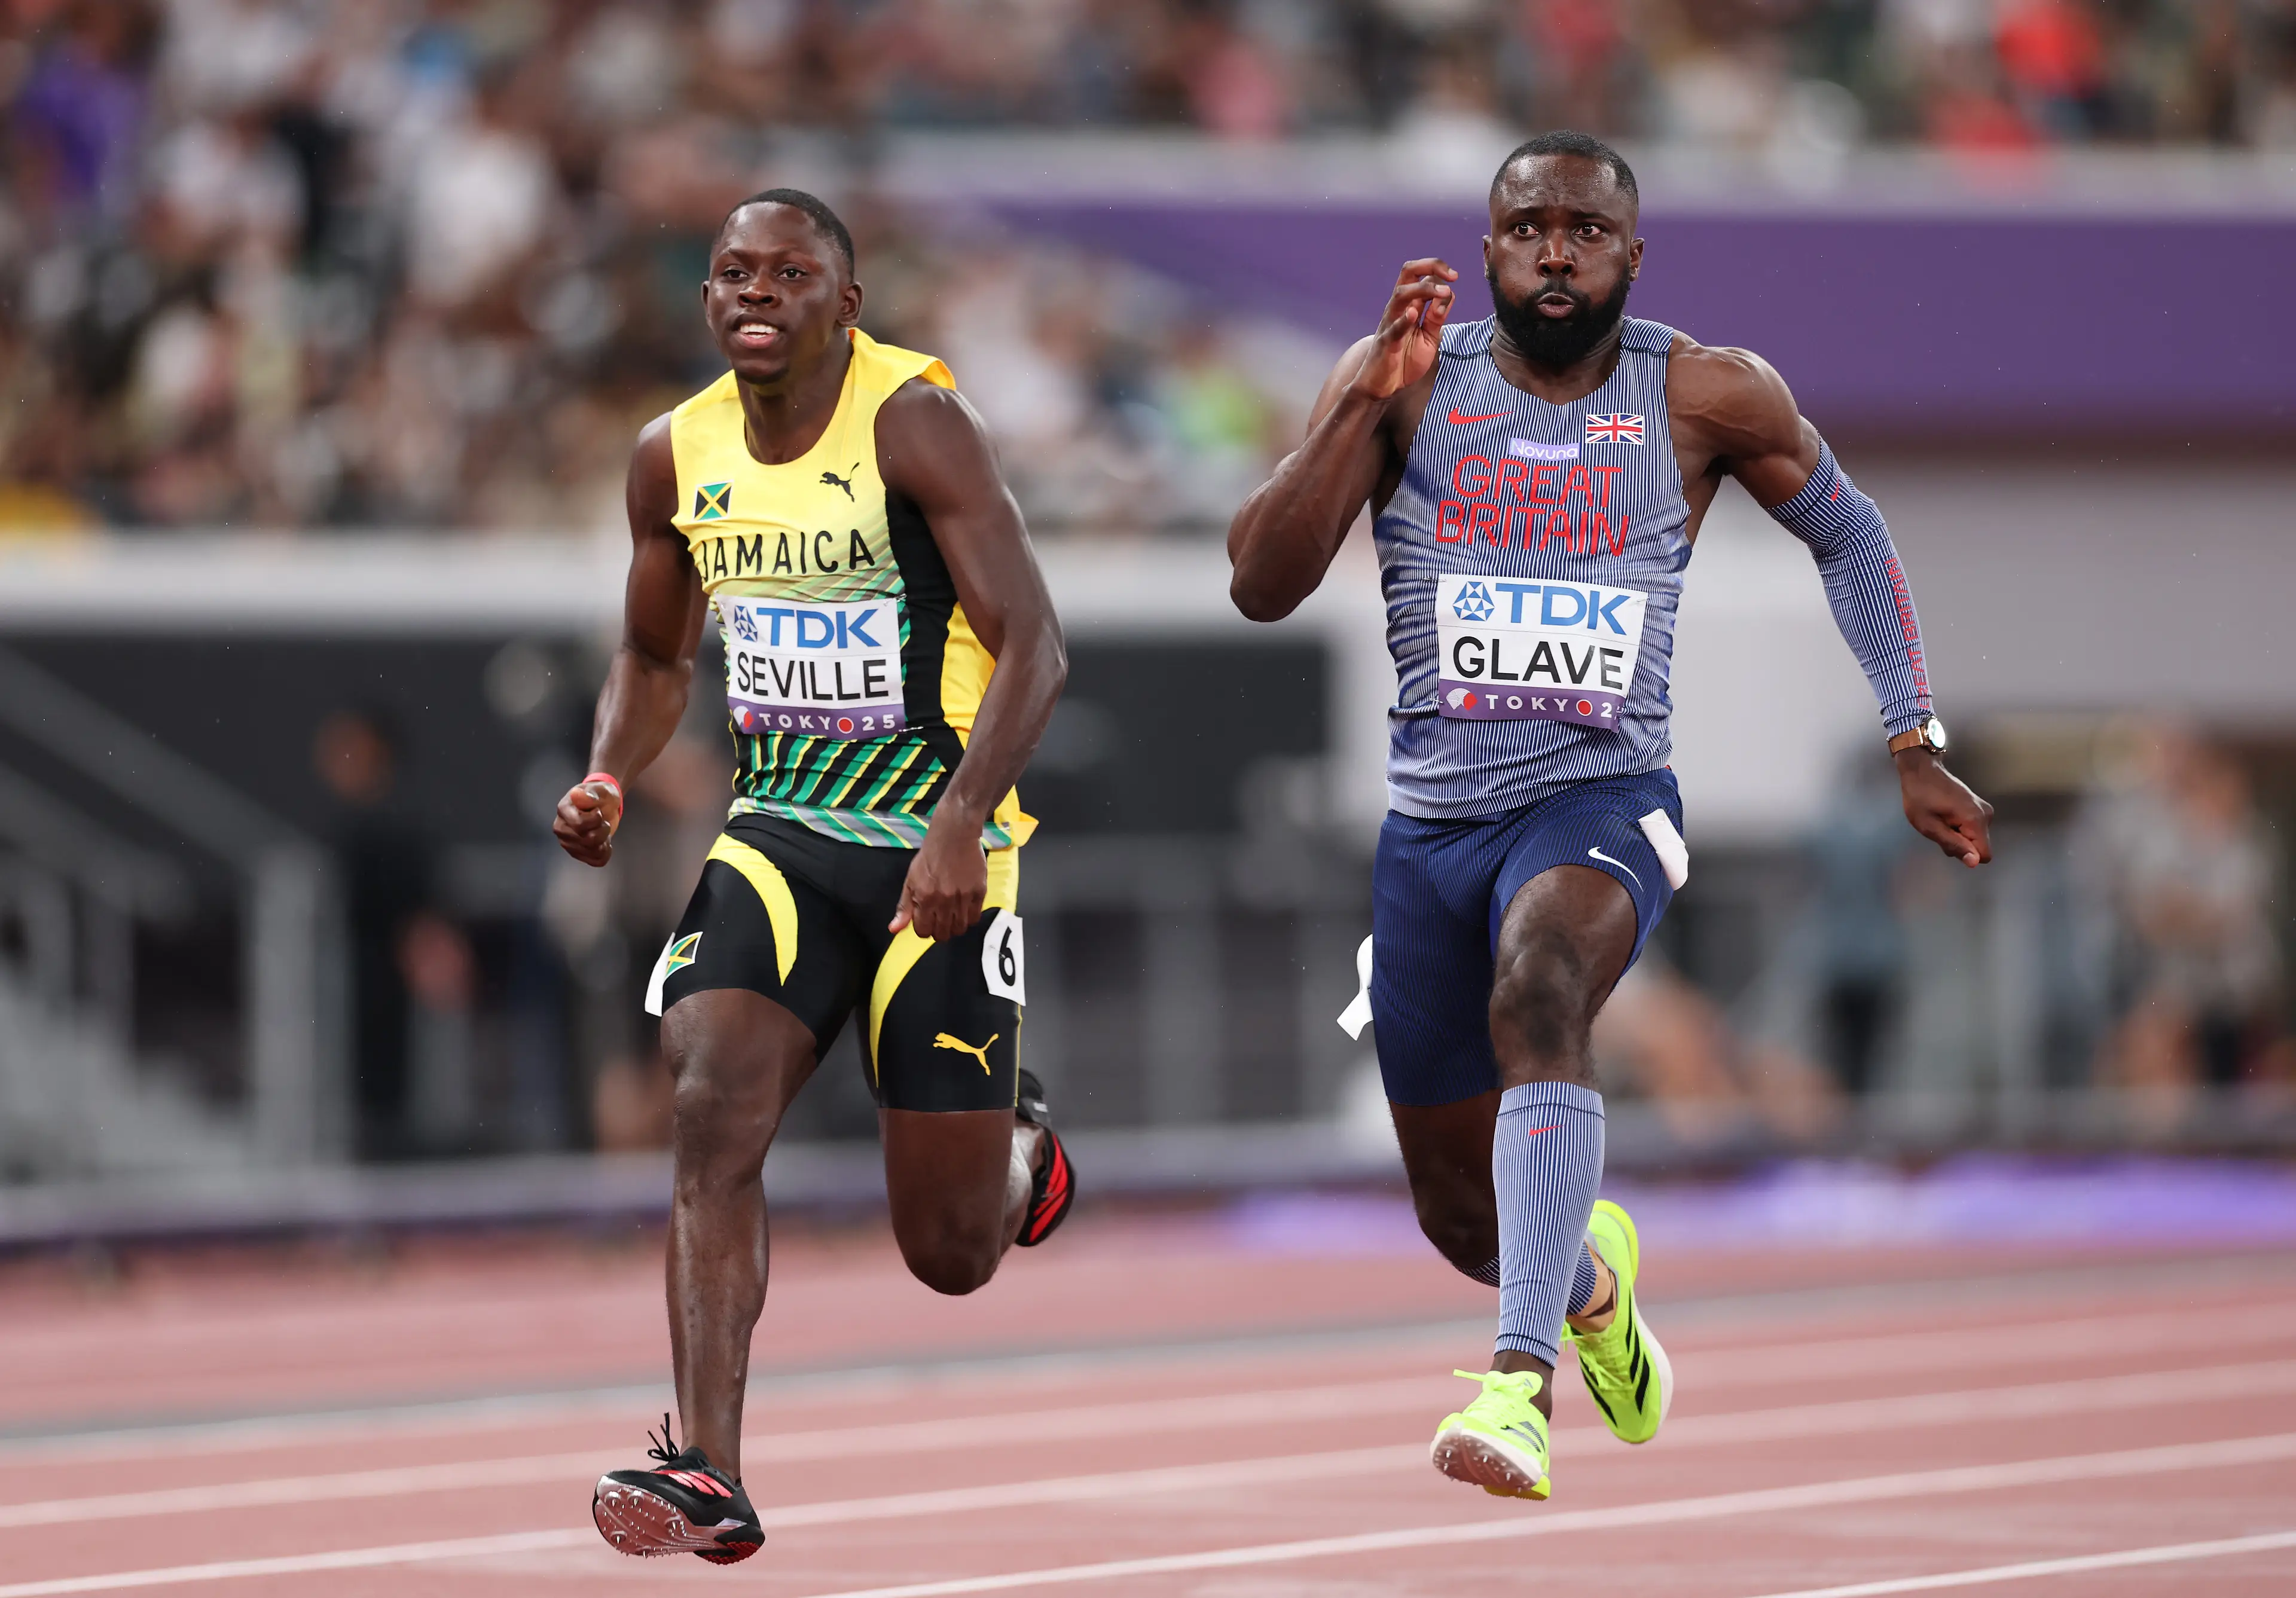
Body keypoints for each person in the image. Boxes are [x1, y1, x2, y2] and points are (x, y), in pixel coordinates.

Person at [1228, 131, 1993, 1501]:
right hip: (1431, 831)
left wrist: (1912, 735)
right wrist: (1356, 410)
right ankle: (1588, 1287)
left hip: (1603, 796)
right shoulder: (1404, 378)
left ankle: (1519, 1387)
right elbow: (1261, 586)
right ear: (1489, 250)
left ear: (1635, 256)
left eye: (1586, 231)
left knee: (1541, 987)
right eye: (1530, 228)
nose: (1557, 252)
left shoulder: (1706, 391)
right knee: (1462, 1218)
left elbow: (1853, 534)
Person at [553, 188, 1073, 1564]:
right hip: (777, 831)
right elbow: (655, 655)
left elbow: (1036, 643)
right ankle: (710, 1470)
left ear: (845, 302)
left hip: (929, 846)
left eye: (790, 273)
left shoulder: (914, 422)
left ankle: (1022, 1149)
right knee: (708, 1101)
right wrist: (610, 771)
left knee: (950, 1253)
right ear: (707, 296)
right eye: (734, 271)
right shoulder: (674, 454)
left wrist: (962, 821)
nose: (756, 292)